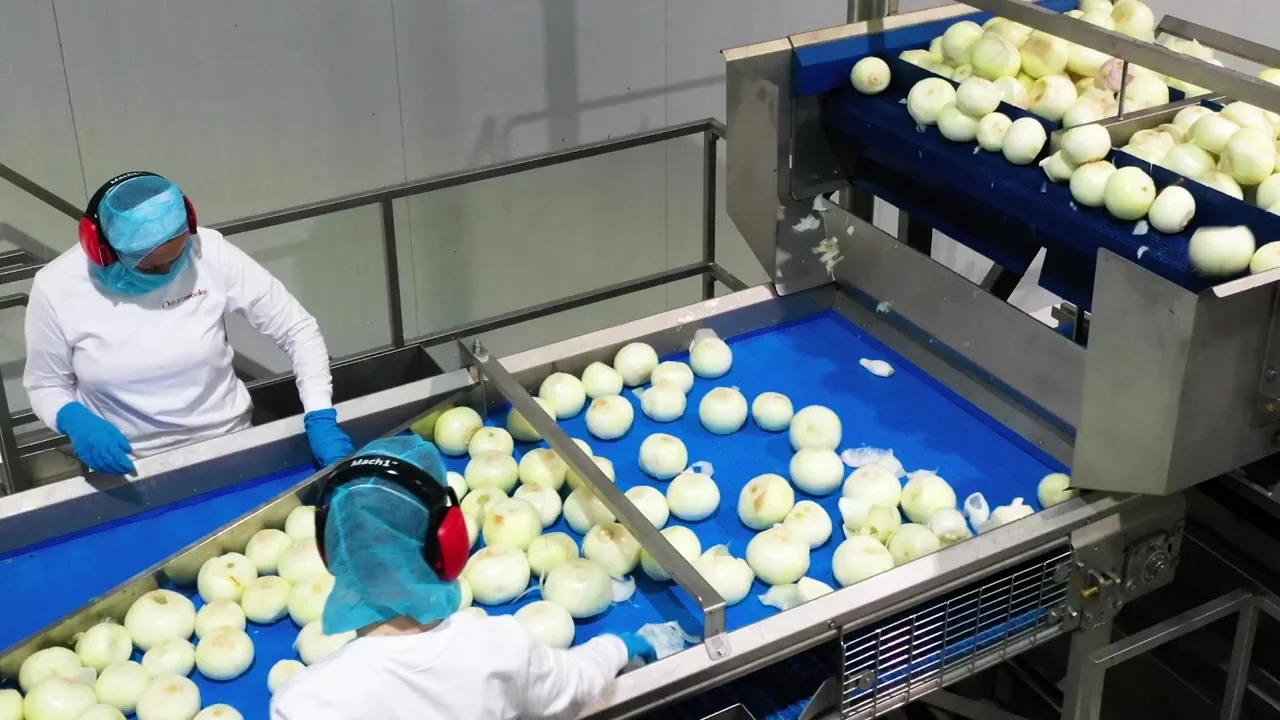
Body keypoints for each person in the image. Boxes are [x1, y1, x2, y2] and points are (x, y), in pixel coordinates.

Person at [270, 435, 655, 720]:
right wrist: (617, 647)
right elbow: (573, 685)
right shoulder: (498, 648)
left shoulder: (302, 704)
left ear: (331, 553)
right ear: (450, 544)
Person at [23, 172, 353, 474]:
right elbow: (45, 386)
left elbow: (297, 330)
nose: (168, 273)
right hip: (128, 464)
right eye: (151, 267)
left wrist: (320, 414)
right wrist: (71, 418)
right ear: (102, 251)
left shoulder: (209, 251)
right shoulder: (57, 287)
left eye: (177, 257)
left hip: (230, 444)